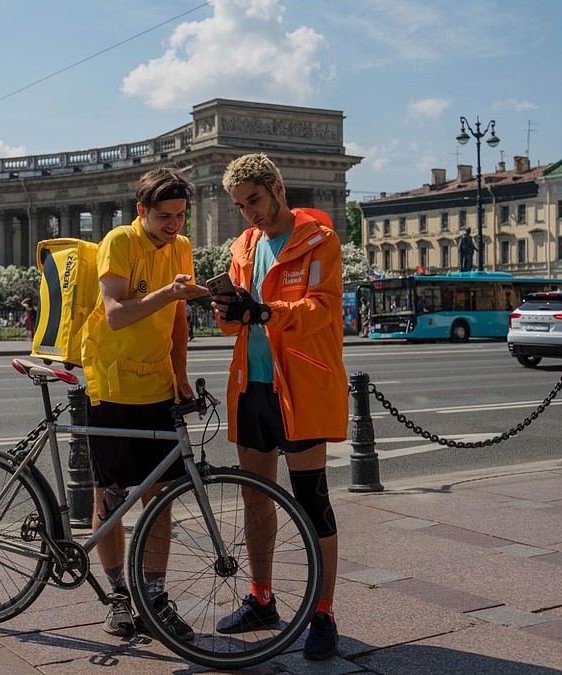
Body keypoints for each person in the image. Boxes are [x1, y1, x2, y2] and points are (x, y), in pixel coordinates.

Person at [210, 153, 346, 661]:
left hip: (301, 389)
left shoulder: (320, 241)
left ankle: (323, 612)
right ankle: (261, 598)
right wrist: (228, 308)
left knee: (312, 501)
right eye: (241, 205)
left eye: (255, 200)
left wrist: (266, 310)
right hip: (253, 387)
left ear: (278, 188)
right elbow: (231, 325)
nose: (249, 213)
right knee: (255, 498)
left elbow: (324, 309)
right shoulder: (243, 247)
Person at [80, 167, 209, 640]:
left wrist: (179, 376)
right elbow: (115, 316)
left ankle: (154, 598)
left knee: (161, 499)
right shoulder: (119, 241)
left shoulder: (182, 248)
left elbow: (178, 322)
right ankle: (117, 595)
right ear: (141, 212)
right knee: (110, 496)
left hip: (157, 386)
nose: (173, 225)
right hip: (111, 386)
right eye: (163, 216)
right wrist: (168, 292)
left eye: (180, 215)